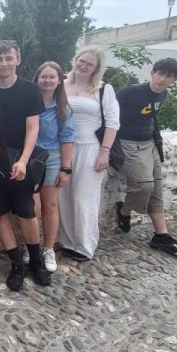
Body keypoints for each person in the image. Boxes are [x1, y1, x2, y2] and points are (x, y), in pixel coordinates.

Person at [0, 40, 50, 290]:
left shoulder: (29, 90)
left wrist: (23, 160)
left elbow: (33, 128)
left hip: (21, 160)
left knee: (26, 212)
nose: (4, 63)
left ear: (18, 60)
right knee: (0, 213)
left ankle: (36, 260)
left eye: (8, 58)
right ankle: (16, 264)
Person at [115, 58, 177, 259]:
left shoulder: (163, 94)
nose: (162, 79)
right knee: (144, 186)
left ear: (174, 80)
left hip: (149, 143)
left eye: (169, 76)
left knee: (156, 189)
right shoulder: (130, 92)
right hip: (127, 143)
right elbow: (107, 113)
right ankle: (124, 210)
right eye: (160, 73)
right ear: (152, 73)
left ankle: (161, 235)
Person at [57, 47, 119, 262]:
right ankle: (67, 241)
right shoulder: (62, 85)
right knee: (63, 197)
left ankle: (84, 245)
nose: (83, 66)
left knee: (83, 197)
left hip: (90, 147)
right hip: (63, 147)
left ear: (96, 68)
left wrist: (104, 152)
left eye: (89, 64)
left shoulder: (103, 90)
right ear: (75, 60)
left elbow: (112, 123)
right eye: (81, 61)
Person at [33, 61, 76, 274]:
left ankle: (48, 248)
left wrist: (65, 169)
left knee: (49, 205)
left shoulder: (63, 109)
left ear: (59, 80)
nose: (47, 80)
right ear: (37, 79)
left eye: (52, 77)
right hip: (30, 158)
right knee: (32, 207)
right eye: (44, 76)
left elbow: (67, 139)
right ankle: (32, 246)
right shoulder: (29, 103)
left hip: (52, 157)